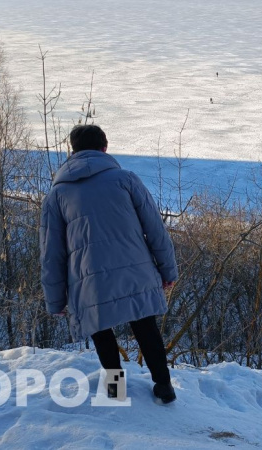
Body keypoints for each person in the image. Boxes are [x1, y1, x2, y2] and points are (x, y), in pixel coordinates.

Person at [39, 124, 178, 403]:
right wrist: (168, 270)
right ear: (105, 147)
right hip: (135, 270)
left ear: (73, 151)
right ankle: (164, 385)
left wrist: (55, 300)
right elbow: (155, 229)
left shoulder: (56, 196)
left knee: (101, 330)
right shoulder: (126, 180)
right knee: (145, 326)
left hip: (88, 279)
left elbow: (51, 253)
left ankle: (116, 388)